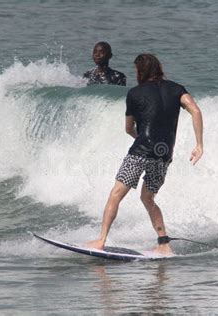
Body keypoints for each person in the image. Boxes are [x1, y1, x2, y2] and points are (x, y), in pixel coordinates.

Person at [87, 54, 204, 255]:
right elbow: (195, 110)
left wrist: (141, 141)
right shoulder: (177, 89)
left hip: (140, 151)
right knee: (148, 198)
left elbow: (128, 128)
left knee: (116, 194)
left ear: (140, 71)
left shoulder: (134, 93)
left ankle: (101, 240)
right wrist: (199, 144)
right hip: (164, 153)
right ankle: (164, 243)